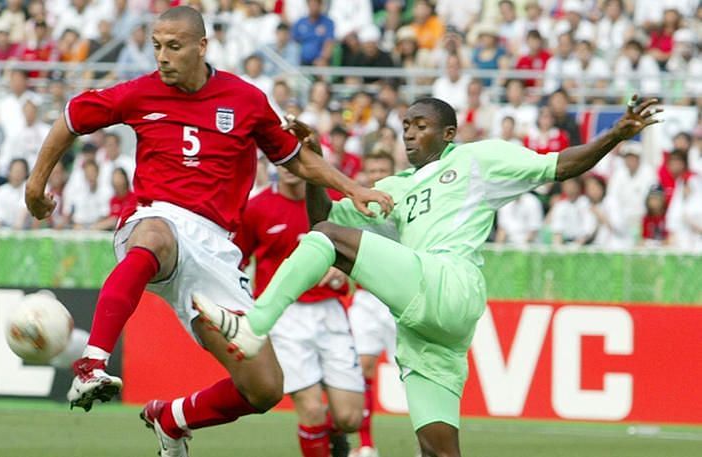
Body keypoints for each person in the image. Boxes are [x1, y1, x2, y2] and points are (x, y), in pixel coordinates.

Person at [195, 94, 662, 457]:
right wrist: (318, 166)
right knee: (438, 447)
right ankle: (256, 328)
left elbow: (559, 165)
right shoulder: (394, 187)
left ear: (450, 132)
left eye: (422, 126)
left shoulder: (477, 159)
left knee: (326, 243)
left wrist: (615, 135)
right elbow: (322, 221)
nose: (411, 135)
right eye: (406, 128)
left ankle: (254, 328)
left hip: (449, 281)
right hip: (426, 329)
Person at [24, 6, 392, 457]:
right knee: (156, 235)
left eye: (173, 47)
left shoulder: (245, 100)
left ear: (202, 46)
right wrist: (35, 185)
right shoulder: (140, 93)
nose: (162, 57)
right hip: (154, 217)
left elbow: (295, 157)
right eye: (157, 46)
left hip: (215, 247)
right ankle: (92, 363)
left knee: (264, 388)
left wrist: (352, 187)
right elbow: (72, 117)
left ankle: (173, 419)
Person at [235, 166, 363, 457]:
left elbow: (357, 250)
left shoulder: (330, 203)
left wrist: (342, 271)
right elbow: (237, 261)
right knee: (312, 408)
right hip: (285, 317)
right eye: (282, 161)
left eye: (295, 161)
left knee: (350, 418)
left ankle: (334, 439)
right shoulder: (257, 208)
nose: (289, 169)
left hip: (330, 310)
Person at [347, 151, 397, 457]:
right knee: (362, 367)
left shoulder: (405, 203)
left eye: (383, 169)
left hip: (400, 299)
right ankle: (366, 445)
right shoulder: (355, 208)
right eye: (372, 169)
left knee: (413, 372)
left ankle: (427, 444)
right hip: (366, 298)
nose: (377, 174)